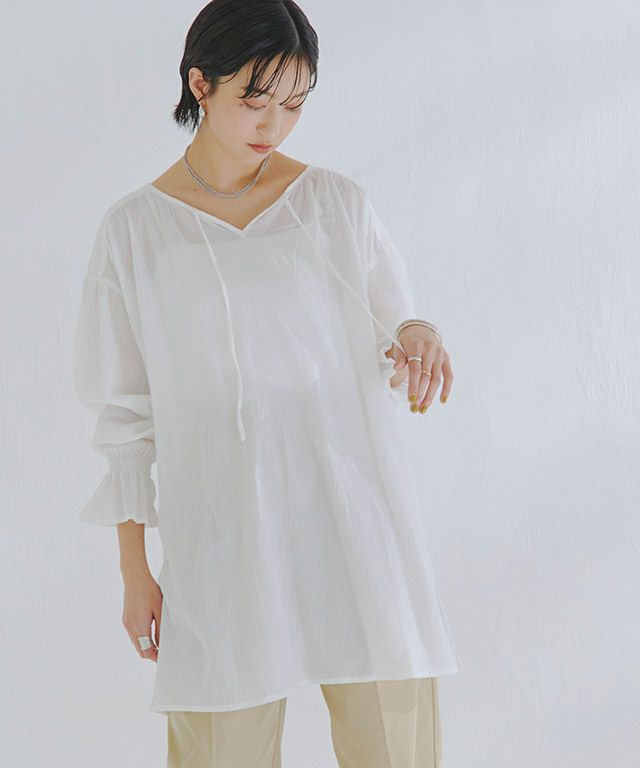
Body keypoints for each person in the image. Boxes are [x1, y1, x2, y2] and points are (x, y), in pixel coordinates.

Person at [72, 1, 460, 765]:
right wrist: (134, 573)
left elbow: (396, 327)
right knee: (223, 748)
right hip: (222, 536)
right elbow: (124, 418)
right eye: (256, 99)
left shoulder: (334, 205)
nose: (275, 125)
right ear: (200, 84)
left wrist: (419, 335)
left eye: (295, 103)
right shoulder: (135, 233)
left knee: (395, 743)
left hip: (353, 523)